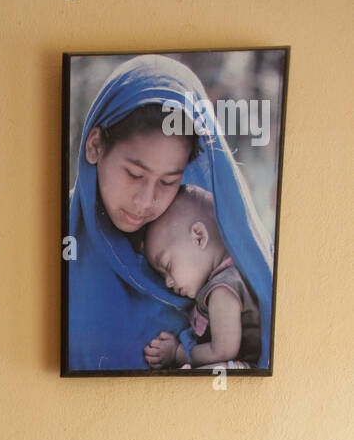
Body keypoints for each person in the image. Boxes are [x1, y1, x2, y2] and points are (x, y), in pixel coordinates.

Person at [66, 54, 274, 371]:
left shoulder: (198, 251)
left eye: (168, 181)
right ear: (95, 146)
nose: (146, 200)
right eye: (134, 174)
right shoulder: (60, 239)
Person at [142, 184, 261, 368]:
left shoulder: (222, 289)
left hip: (244, 367)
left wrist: (178, 353)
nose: (168, 282)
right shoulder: (220, 279)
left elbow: (223, 350)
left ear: (198, 237)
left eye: (168, 266)